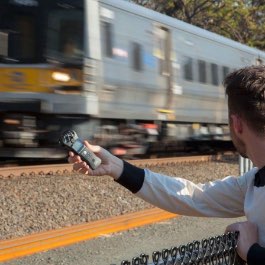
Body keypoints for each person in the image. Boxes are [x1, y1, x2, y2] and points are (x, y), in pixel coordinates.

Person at [68, 65, 265, 264]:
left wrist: (251, 252)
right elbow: (193, 196)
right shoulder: (253, 182)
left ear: (237, 124)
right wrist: (118, 168)